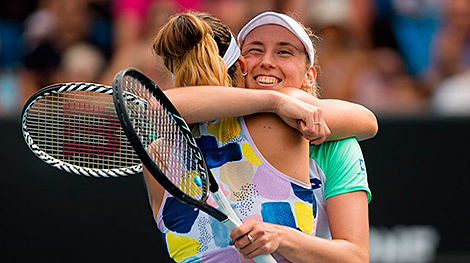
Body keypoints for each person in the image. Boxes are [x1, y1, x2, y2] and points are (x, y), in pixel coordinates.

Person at [145, 11, 373, 262]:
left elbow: (355, 258)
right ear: (241, 65)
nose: (267, 61)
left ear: (310, 75)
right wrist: (276, 102)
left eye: (284, 52)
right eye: (254, 50)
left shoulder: (158, 148)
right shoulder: (279, 112)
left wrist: (280, 238)